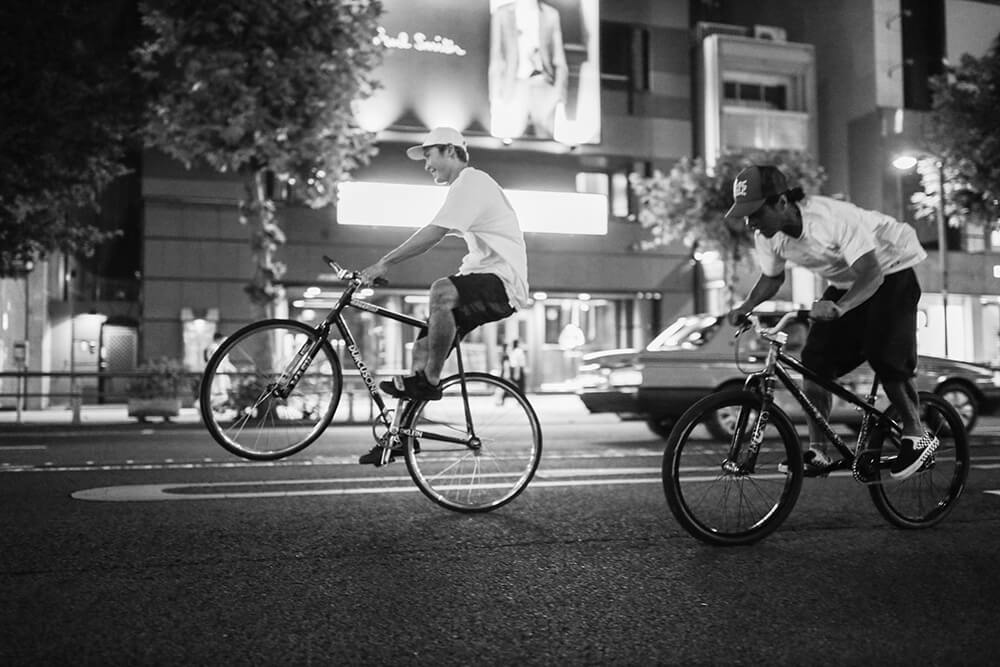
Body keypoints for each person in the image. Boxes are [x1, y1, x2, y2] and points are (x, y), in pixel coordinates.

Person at [725, 164, 938, 481]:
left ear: (781, 202)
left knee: (884, 354)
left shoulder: (832, 218)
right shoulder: (767, 235)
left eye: (755, 211)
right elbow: (772, 277)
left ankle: (917, 433)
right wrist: (747, 305)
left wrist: (841, 308)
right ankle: (819, 451)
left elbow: (872, 273)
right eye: (745, 213)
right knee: (815, 362)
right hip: (847, 282)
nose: (749, 221)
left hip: (892, 269)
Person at [357, 126, 529, 465]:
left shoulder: (473, 182)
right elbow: (437, 228)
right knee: (421, 349)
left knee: (441, 291)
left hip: (503, 282)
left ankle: (431, 381)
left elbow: (433, 233)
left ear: (451, 151)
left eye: (429, 155)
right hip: (481, 277)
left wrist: (383, 263)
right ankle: (402, 438)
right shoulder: (463, 188)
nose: (426, 165)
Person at [488, 0, 568, 139]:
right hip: (513, 85)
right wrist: (495, 95)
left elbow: (559, 58)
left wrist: (559, 92)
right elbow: (496, 57)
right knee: (508, 139)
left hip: (543, 85)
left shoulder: (550, 14)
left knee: (546, 142)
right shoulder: (502, 13)